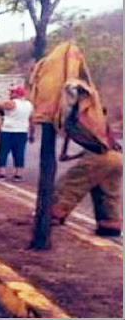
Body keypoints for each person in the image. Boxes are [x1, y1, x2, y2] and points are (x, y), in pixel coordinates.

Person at [51, 80, 122, 237]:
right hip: (115, 158)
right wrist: (68, 155)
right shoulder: (97, 126)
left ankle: (54, 215)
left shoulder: (84, 116)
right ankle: (110, 225)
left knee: (70, 185)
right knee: (107, 194)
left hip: (101, 157)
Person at [0, 85, 35, 182]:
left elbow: (0, 105)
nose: (10, 94)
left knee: (3, 151)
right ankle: (18, 174)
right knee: (19, 153)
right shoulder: (29, 105)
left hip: (8, 130)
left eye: (12, 92)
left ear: (17, 94)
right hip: (22, 131)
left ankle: (1, 172)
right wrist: (32, 133)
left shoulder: (12, 103)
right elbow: (31, 120)